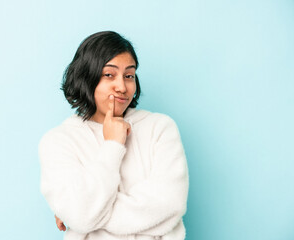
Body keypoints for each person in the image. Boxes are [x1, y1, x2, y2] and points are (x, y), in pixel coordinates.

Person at [38, 31, 189, 240]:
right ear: (87, 77)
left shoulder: (160, 128)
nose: (122, 87)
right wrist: (112, 145)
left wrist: (84, 216)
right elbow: (81, 215)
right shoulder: (58, 141)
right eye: (109, 75)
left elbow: (171, 204)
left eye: (129, 76)